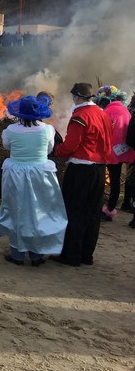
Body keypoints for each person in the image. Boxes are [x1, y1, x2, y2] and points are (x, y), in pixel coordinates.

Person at [0, 96, 68, 266]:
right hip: (40, 174)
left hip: (16, 174)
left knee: (16, 210)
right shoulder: (48, 130)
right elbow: (49, 149)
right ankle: (37, 254)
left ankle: (17, 254)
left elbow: (7, 146)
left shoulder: (10, 130)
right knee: (39, 211)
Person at [53, 83, 112, 266]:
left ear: (77, 97)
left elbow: (71, 146)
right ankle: (87, 255)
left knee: (75, 211)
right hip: (100, 170)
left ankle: (71, 256)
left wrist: (56, 151)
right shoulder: (103, 114)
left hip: (81, 170)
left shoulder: (80, 116)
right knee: (93, 213)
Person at [93, 86, 134, 221]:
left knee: (102, 179)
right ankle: (111, 208)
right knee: (115, 181)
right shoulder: (125, 110)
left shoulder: (108, 111)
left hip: (109, 151)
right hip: (124, 150)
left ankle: (104, 209)